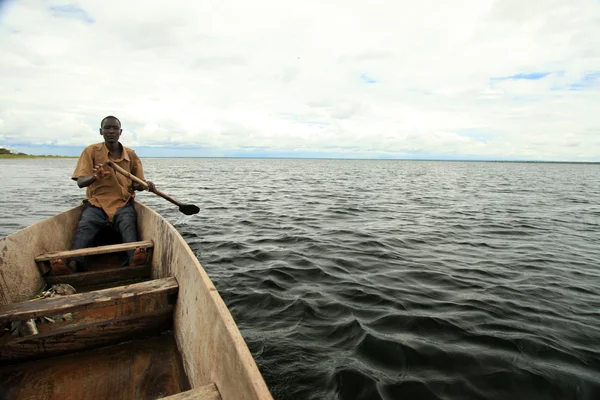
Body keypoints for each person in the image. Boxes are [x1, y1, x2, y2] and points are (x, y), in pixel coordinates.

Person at [50, 116, 155, 275]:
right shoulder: (91, 151)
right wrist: (95, 177)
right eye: (107, 128)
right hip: (97, 204)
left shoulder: (131, 155)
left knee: (128, 225)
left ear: (120, 132)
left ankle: (134, 259)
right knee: (85, 227)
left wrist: (146, 185)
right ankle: (72, 266)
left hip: (123, 203)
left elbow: (137, 184)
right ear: (101, 131)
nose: (111, 131)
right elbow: (80, 182)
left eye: (114, 128)